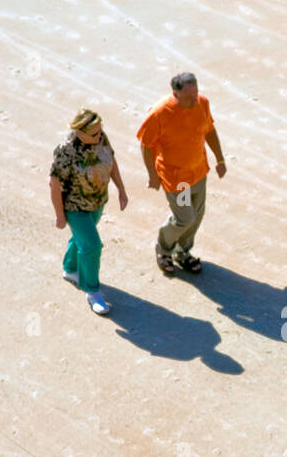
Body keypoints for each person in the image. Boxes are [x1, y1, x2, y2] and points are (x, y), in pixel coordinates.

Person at [136, 72, 226, 275]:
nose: (194, 100)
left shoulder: (201, 103)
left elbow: (209, 130)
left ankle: (182, 252)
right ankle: (163, 249)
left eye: (195, 94)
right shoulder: (160, 113)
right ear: (174, 94)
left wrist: (220, 159)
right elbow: (146, 145)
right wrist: (152, 175)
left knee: (198, 214)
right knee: (185, 217)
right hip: (180, 180)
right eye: (188, 97)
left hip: (199, 173)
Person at [50, 109, 128, 315]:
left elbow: (111, 162)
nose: (99, 136)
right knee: (92, 246)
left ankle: (70, 269)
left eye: (100, 131)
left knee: (82, 239)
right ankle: (93, 292)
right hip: (75, 207)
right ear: (79, 132)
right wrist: (59, 215)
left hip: (97, 201)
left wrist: (121, 188)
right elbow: (54, 184)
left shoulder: (101, 139)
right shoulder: (66, 150)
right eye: (94, 134)